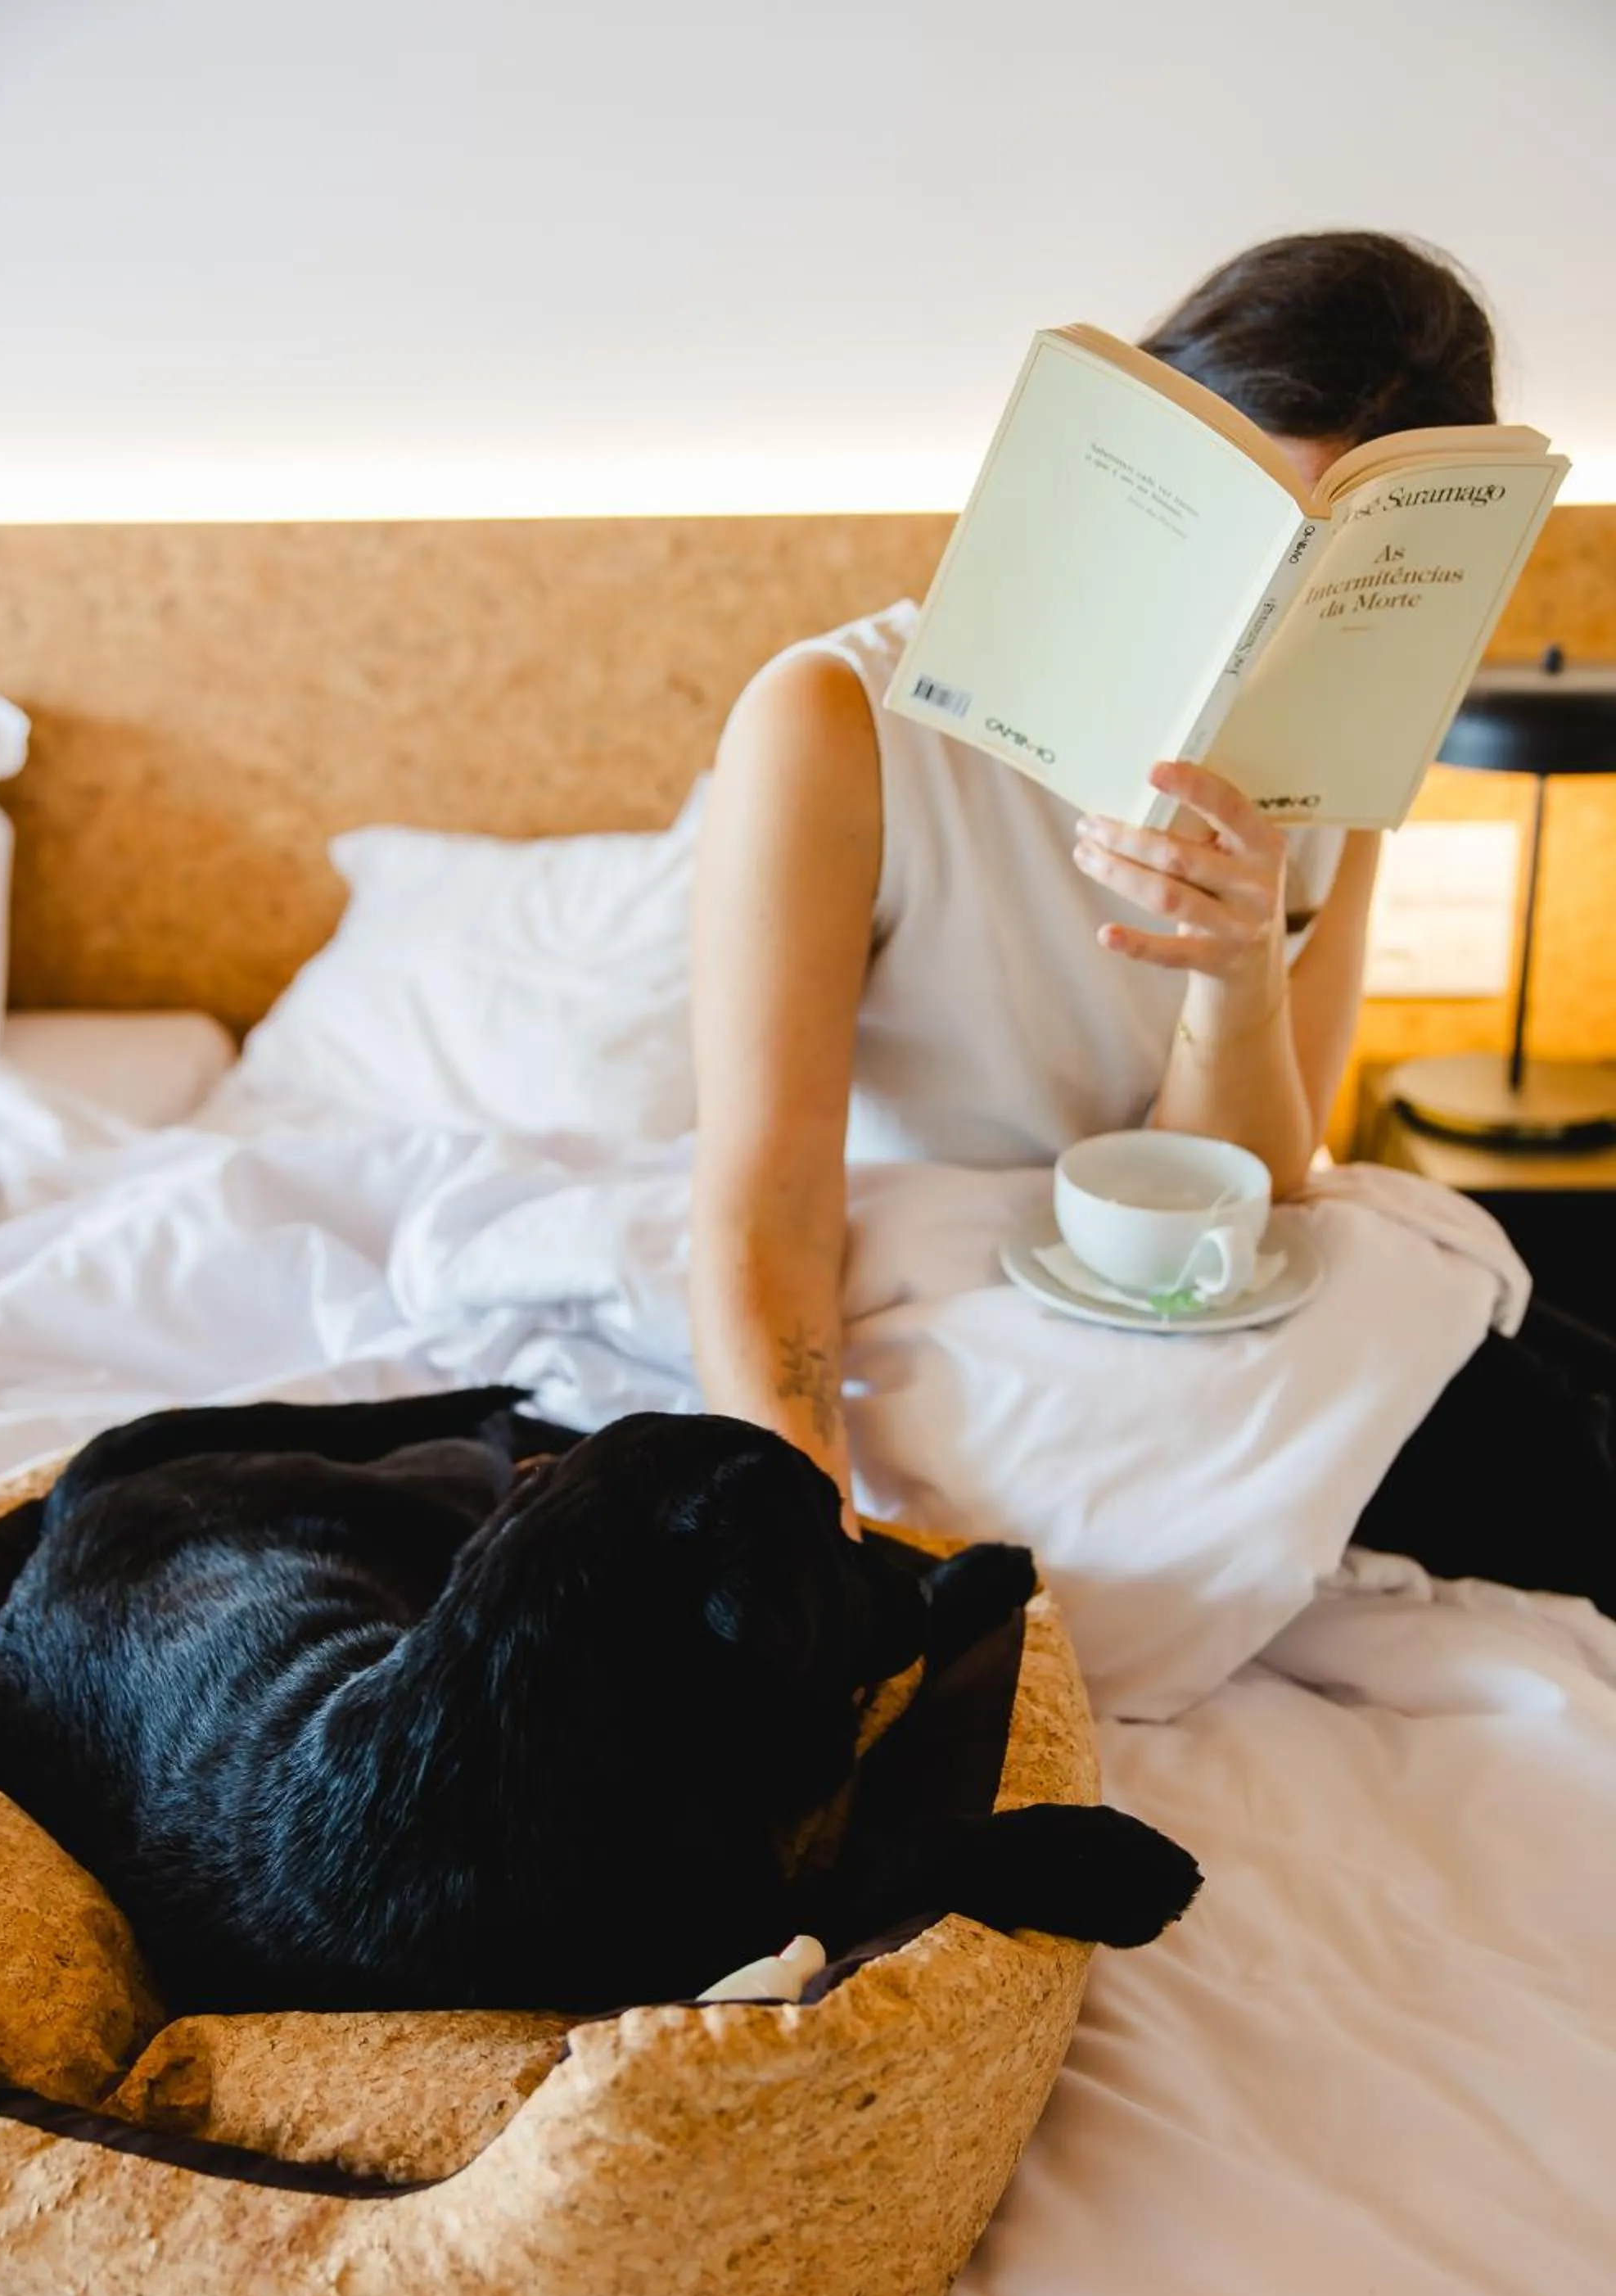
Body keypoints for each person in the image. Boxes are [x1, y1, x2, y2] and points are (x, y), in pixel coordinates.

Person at [688, 228, 1614, 1614]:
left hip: (1193, 1288)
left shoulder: (1339, 757)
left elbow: (1255, 1185)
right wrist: (805, 1548)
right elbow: (766, 1206)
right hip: (941, 1308)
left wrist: (1240, 977)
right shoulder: (836, 721)